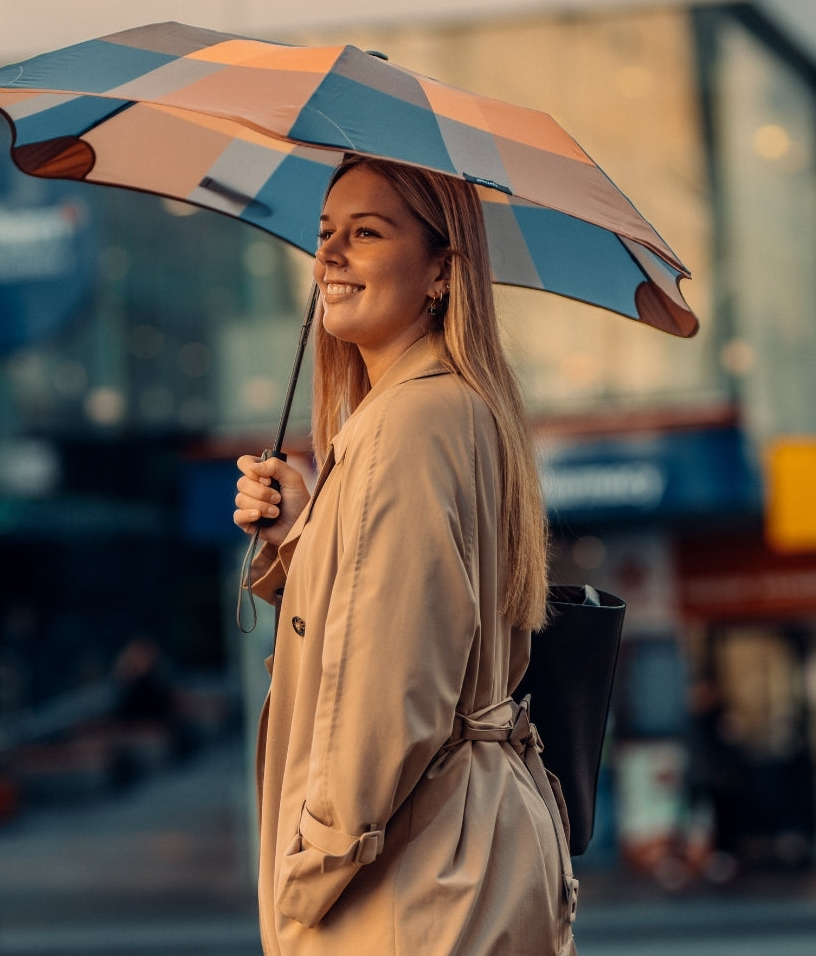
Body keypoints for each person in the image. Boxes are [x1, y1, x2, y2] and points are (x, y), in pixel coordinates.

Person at [234, 155, 578, 955]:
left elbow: (392, 689)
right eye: (325, 236)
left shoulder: (407, 426)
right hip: (468, 857)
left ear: (440, 273)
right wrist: (302, 534)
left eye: (366, 233)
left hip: (409, 883)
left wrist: (311, 865)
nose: (329, 257)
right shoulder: (450, 407)